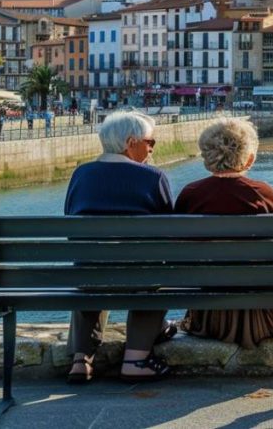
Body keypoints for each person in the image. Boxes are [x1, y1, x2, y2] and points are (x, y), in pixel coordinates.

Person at [64, 111, 176, 384]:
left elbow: (70, 223)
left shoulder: (81, 175)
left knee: (92, 267)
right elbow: (170, 232)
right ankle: (136, 360)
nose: (152, 148)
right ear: (130, 142)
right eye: (150, 142)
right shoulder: (153, 177)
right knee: (152, 278)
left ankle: (81, 360)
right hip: (139, 279)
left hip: (89, 276)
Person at [175, 119, 273, 349]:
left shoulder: (191, 193)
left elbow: (177, 249)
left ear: (207, 157)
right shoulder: (262, 192)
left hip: (207, 305)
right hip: (258, 306)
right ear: (250, 158)